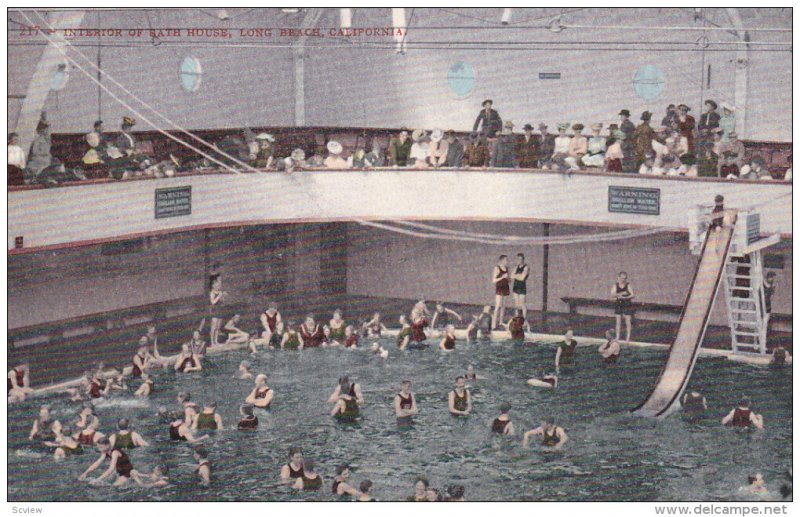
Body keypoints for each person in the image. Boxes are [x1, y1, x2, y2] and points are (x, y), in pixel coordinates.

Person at [612, 271, 634, 342]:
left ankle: (628, 337)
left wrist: (624, 297)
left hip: (627, 303)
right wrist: (622, 293)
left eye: (624, 278)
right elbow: (613, 294)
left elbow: (632, 295)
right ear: (618, 278)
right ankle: (617, 336)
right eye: (621, 278)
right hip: (619, 303)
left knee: (628, 321)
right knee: (618, 321)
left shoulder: (628, 285)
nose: (623, 280)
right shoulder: (615, 285)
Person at [492, 255, 511, 329]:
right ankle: (493, 324)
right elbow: (493, 280)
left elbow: (508, 280)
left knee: (503, 306)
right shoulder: (497, 268)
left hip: (506, 287)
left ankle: (501, 322)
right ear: (502, 260)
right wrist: (502, 277)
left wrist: (509, 279)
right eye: (506, 260)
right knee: (497, 306)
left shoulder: (507, 268)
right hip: (499, 288)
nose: (507, 262)